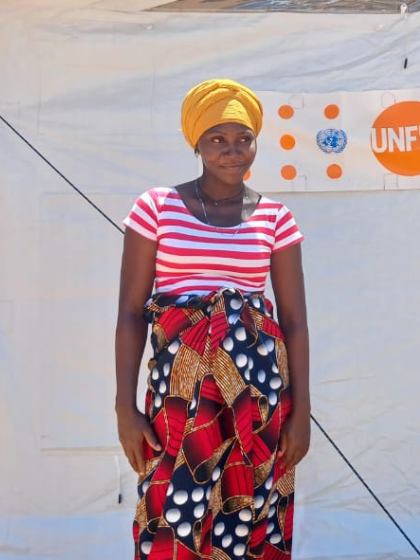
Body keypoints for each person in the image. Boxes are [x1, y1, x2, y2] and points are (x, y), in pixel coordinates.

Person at [115, 79, 311, 560]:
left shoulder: (275, 218)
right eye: (218, 140)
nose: (233, 151)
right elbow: (129, 312)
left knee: (253, 507)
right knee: (171, 507)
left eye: (243, 139)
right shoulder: (156, 207)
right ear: (196, 144)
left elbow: (294, 321)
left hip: (258, 391)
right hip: (178, 392)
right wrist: (124, 406)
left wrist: (300, 410)